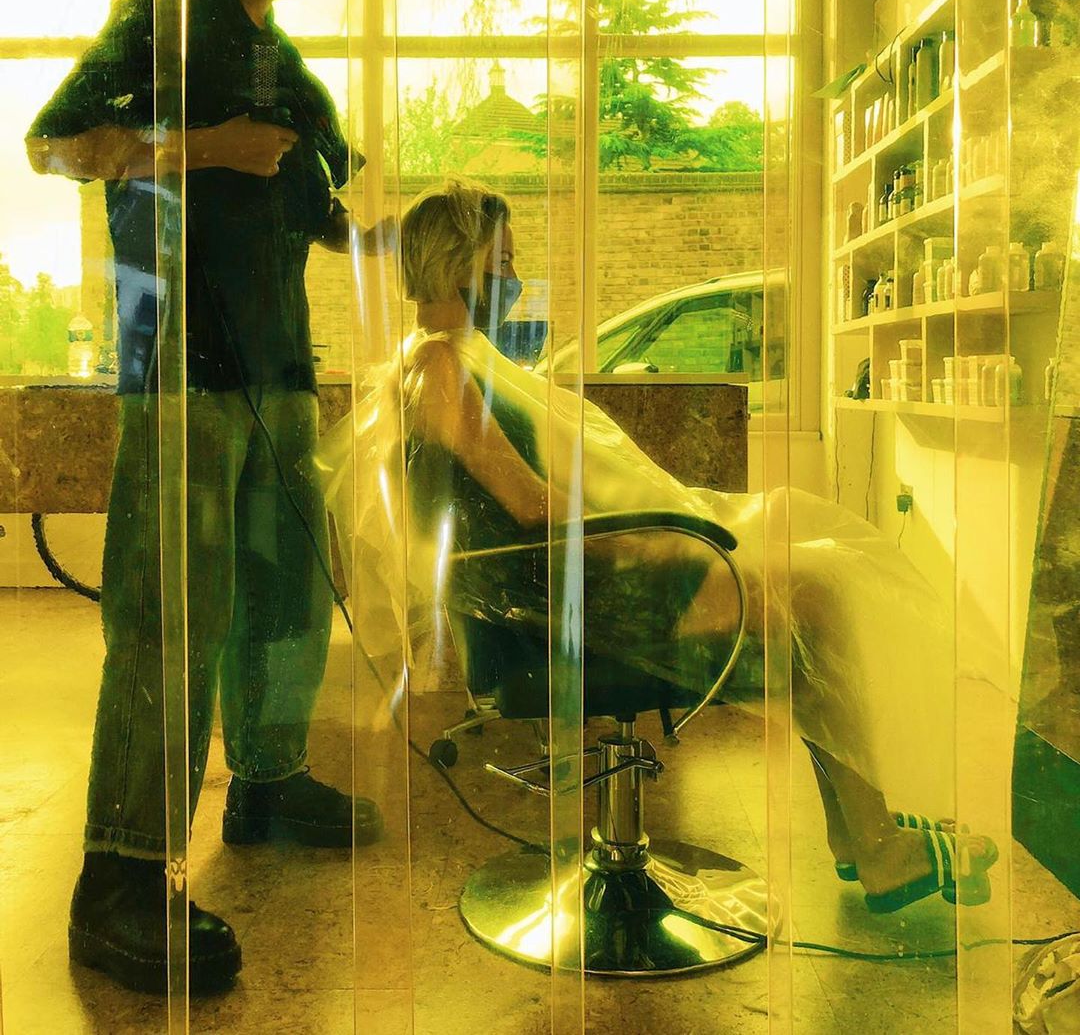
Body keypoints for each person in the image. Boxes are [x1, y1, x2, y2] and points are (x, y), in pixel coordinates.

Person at [321, 178, 1001, 918]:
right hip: (561, 602)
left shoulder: (441, 359)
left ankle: (864, 833)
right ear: (458, 264)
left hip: (564, 579)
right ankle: (875, 843)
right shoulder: (442, 368)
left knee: (804, 596)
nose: (515, 281)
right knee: (815, 596)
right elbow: (529, 505)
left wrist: (640, 524)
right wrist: (643, 539)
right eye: (504, 262)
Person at [26, 0, 388, 996]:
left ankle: (268, 784)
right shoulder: (164, 19)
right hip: (179, 366)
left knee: (284, 597)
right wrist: (202, 148)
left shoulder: (284, 63)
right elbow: (53, 144)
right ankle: (120, 876)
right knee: (170, 618)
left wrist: (423, 239)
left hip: (279, 372)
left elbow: (326, 214)